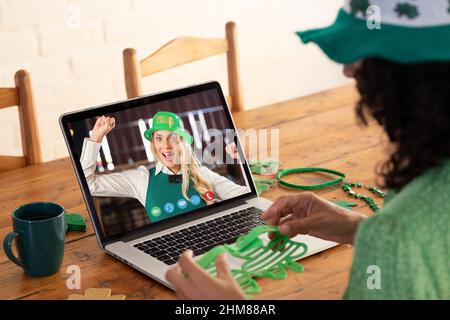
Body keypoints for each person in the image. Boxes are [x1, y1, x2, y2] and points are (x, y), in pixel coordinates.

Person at [165, 0, 450, 299]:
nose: (348, 70)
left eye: (363, 52)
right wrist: (359, 229)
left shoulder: (399, 239)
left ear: (416, 74)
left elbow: (410, 245)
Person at [80, 111, 248, 222]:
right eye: (159, 138)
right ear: (153, 142)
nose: (166, 146)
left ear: (182, 142)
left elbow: (245, 196)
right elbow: (89, 185)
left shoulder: (203, 174)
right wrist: (95, 138)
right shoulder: (142, 179)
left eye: (173, 138)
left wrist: (242, 161)